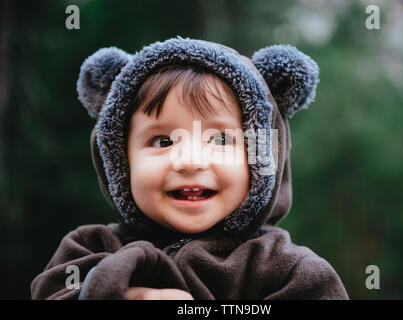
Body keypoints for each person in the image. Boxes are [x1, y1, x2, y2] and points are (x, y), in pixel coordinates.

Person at [31, 37, 349, 300]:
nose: (189, 160)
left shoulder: (289, 269)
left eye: (220, 139)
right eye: (162, 141)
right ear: (120, 163)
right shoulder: (86, 250)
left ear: (260, 158)